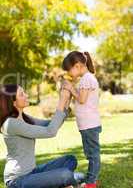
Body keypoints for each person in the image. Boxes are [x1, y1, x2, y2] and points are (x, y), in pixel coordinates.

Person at [0, 84, 78, 188]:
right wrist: (62, 101)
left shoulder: (24, 118)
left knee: (70, 159)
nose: (27, 95)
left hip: (32, 172)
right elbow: (50, 131)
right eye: (22, 94)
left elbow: (51, 124)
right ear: (13, 102)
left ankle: (65, 183)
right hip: (17, 180)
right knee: (66, 175)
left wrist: (66, 101)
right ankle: (70, 182)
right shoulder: (11, 124)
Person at [62, 51, 102, 188]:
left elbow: (82, 99)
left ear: (78, 66)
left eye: (69, 69)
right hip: (87, 125)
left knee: (93, 155)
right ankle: (93, 179)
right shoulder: (85, 79)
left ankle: (91, 183)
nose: (69, 72)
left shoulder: (87, 79)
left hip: (90, 125)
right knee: (90, 153)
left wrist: (70, 88)